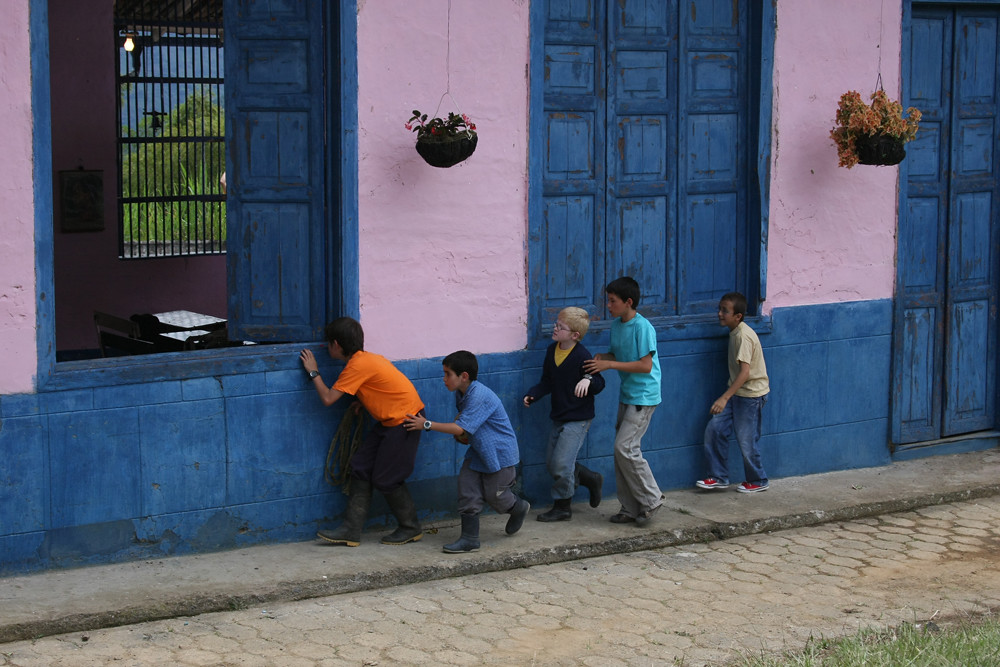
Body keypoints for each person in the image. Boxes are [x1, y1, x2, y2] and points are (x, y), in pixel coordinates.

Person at [300, 317, 426, 547]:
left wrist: (313, 372)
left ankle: (410, 527)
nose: (329, 347)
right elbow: (377, 386)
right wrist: (364, 400)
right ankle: (351, 530)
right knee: (360, 466)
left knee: (386, 479)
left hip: (405, 421)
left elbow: (328, 398)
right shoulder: (365, 360)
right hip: (391, 419)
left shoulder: (357, 365)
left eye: (329, 343)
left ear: (336, 344)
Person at [404, 350, 530, 553]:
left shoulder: (479, 395)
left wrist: (426, 424)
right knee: (467, 489)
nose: (444, 379)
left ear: (464, 376)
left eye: (447, 374)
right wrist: (463, 436)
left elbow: (460, 428)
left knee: (495, 497)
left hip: (499, 454)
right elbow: (464, 427)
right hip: (478, 451)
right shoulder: (461, 393)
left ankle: (518, 507)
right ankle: (470, 539)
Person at [583, 277, 663, 526]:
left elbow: (644, 365)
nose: (608, 305)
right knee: (620, 452)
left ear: (629, 302)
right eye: (608, 300)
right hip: (627, 394)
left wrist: (609, 364)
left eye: (612, 301)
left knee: (625, 448)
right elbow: (619, 355)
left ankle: (651, 499)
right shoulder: (617, 325)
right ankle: (629, 508)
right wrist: (602, 358)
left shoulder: (643, 327)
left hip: (644, 396)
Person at [523, 307, 606, 521]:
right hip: (559, 415)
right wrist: (534, 395)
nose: (555, 328)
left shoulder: (581, 355)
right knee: (553, 463)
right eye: (556, 324)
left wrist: (588, 379)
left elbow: (599, 381)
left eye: (561, 327)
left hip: (578, 419)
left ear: (574, 335)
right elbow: (547, 381)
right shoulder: (552, 351)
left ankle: (563, 507)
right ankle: (589, 478)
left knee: (561, 464)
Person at [695, 292, 770, 493]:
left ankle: (758, 480)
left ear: (738, 316)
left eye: (725, 311)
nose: (719, 314)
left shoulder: (744, 336)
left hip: (751, 396)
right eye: (720, 309)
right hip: (737, 393)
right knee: (715, 429)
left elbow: (745, 373)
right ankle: (719, 476)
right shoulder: (735, 332)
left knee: (747, 439)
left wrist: (724, 397)